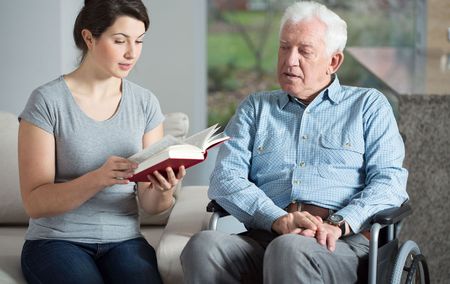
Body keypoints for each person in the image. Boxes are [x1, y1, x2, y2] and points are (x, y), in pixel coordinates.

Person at [181, 1, 408, 283]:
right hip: (267, 235)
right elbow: (225, 179)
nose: (290, 60)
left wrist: (338, 224)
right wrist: (278, 219)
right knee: (202, 246)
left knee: (287, 249)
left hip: (339, 245)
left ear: (333, 61)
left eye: (304, 51)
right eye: (284, 47)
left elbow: (390, 183)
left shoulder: (368, 106)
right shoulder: (255, 108)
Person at [18, 0, 185, 283]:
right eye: (120, 41)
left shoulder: (145, 103)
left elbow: (151, 204)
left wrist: (164, 190)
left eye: (139, 41)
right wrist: (97, 179)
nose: (131, 53)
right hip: (55, 242)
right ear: (89, 38)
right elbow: (35, 202)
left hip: (125, 242)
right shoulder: (47, 101)